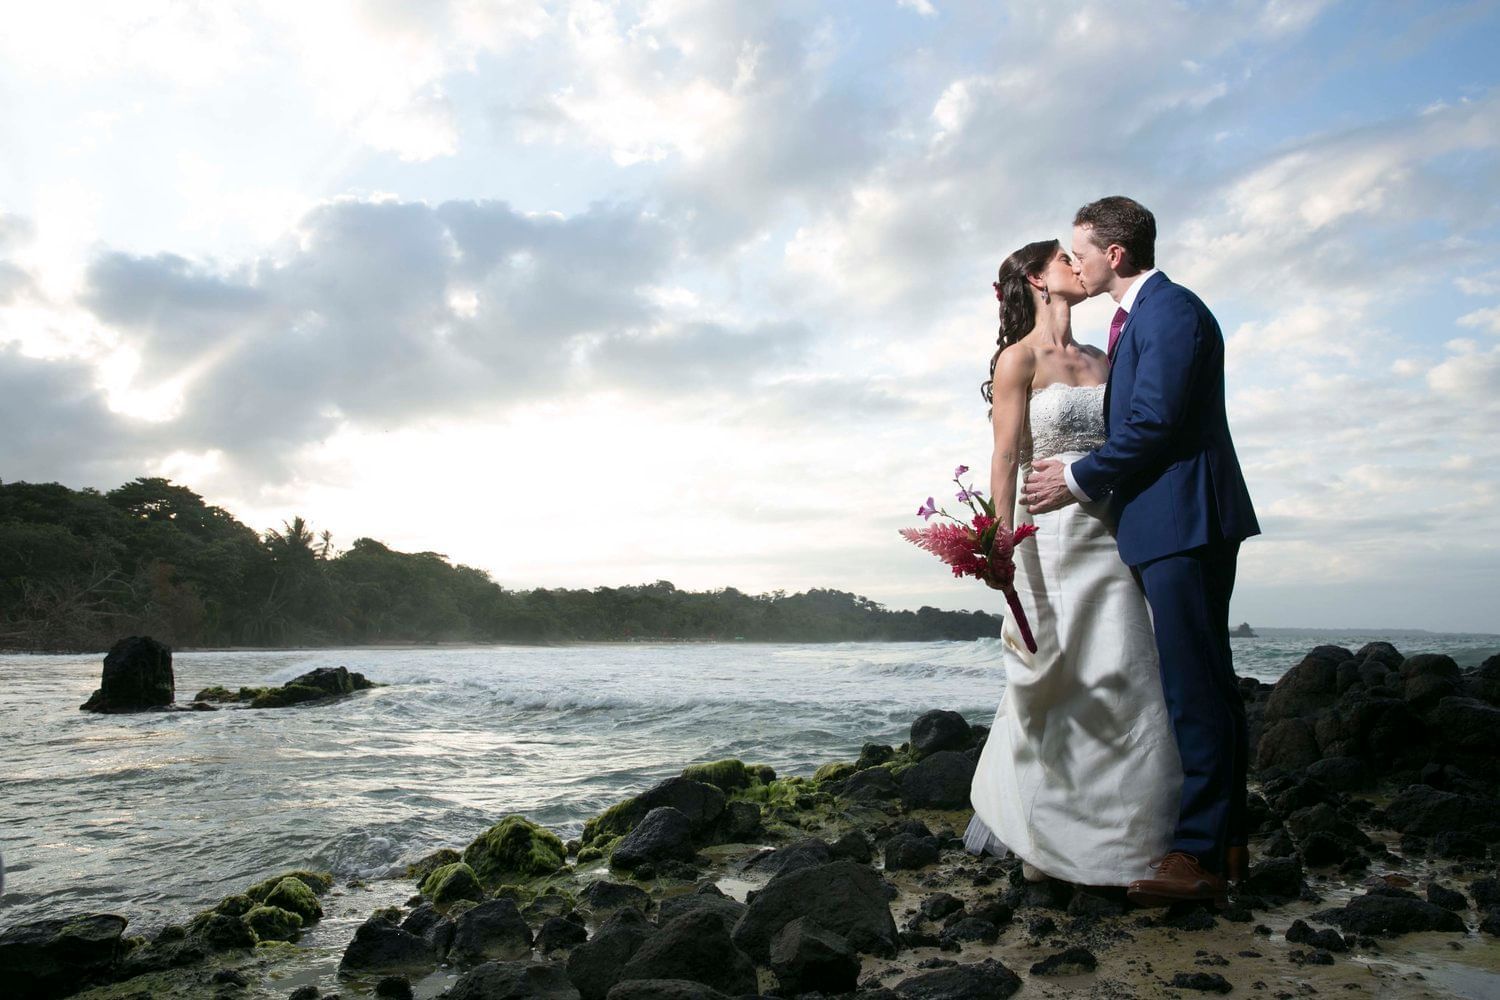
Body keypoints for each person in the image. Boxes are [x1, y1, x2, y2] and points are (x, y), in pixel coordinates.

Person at [1023, 196, 1260, 907]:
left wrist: (1075, 477)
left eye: (1082, 249)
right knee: (1207, 682)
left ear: (1115, 254)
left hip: (1184, 519)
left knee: (1194, 686)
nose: (1077, 261)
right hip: (1169, 522)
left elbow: (1155, 421)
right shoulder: (1141, 319)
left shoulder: (1169, 312)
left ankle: (1198, 856)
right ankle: (1228, 839)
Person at [965, 237, 1183, 889]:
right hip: (1046, 539)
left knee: (1123, 672)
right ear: (1037, 279)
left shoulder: (1105, 357)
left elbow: (1133, 440)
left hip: (1113, 531)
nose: (1075, 263)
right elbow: (1005, 459)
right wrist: (999, 546)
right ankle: (1045, 838)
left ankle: (1127, 839)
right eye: (1062, 257)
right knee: (1056, 679)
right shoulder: (1018, 359)